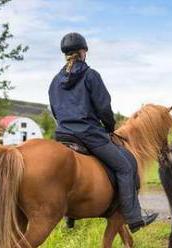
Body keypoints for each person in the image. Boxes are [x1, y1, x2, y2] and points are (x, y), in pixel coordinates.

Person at [48, 32, 157, 233]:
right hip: (88, 134)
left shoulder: (55, 81)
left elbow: (55, 110)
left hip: (62, 136)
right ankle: (134, 218)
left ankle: (70, 217)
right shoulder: (91, 75)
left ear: (65, 54)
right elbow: (104, 108)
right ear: (83, 52)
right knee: (125, 166)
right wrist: (108, 128)